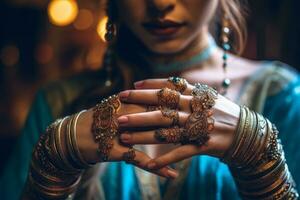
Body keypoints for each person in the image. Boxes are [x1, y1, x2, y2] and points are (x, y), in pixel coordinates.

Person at [0, 0, 299, 199]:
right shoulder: (57, 102)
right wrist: (52, 167)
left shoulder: (281, 97)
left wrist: (260, 154)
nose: (159, 3)